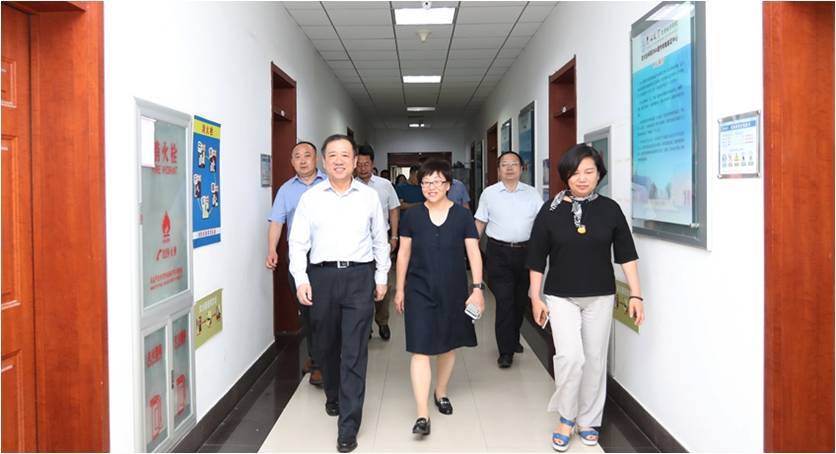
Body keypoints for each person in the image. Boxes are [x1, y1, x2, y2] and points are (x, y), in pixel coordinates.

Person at [526, 143, 644, 451]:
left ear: (599, 175)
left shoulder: (610, 210)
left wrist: (636, 295)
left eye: (589, 172)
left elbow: (626, 255)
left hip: (600, 295)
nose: (582, 178)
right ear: (565, 176)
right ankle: (567, 417)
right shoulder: (550, 210)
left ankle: (588, 420)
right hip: (560, 295)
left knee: (594, 359)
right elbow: (536, 258)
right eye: (575, 172)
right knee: (570, 358)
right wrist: (535, 297)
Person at [288, 134, 390, 454]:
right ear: (324, 161)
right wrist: (301, 278)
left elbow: (380, 238)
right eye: (332, 155)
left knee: (355, 350)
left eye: (345, 155)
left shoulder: (369, 197)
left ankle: (348, 424)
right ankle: (333, 394)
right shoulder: (311, 198)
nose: (339, 161)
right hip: (322, 276)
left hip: (359, 276)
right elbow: (298, 242)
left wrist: (381, 276)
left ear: (355, 160)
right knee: (325, 346)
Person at [394, 159, 484, 437]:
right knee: (420, 348)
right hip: (418, 289)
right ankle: (422, 414)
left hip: (453, 289)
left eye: (437, 182)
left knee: (447, 345)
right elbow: (403, 254)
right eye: (426, 182)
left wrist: (477, 288)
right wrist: (399, 289)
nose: (431, 187)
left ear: (448, 185)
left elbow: (473, 253)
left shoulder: (462, 216)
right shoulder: (412, 217)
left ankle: (440, 392)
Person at [265, 141, 327, 386]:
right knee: (308, 312)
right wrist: (272, 249)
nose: (302, 160)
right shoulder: (286, 190)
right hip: (299, 259)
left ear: (317, 159)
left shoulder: (330, 183)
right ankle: (316, 358)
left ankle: (323, 361)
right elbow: (277, 221)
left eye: (307, 155)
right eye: (297, 156)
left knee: (324, 312)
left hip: (326, 258)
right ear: (291, 162)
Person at [474, 151, 543, 368]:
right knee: (504, 301)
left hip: (526, 252)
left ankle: (513, 338)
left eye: (514, 164)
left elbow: (543, 224)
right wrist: (469, 250)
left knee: (520, 300)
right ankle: (506, 351)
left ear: (522, 169)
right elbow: (480, 223)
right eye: (505, 164)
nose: (510, 168)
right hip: (498, 253)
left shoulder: (532, 194)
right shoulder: (489, 193)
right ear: (498, 170)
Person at [356, 144, 400, 340]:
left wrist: (394, 236)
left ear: (372, 163)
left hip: (381, 241)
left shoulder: (384, 185)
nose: (363, 168)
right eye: (359, 164)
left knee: (382, 281)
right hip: (358, 243)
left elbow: (394, 210)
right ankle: (365, 326)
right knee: (361, 286)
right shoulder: (350, 185)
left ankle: (382, 321)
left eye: (366, 164)